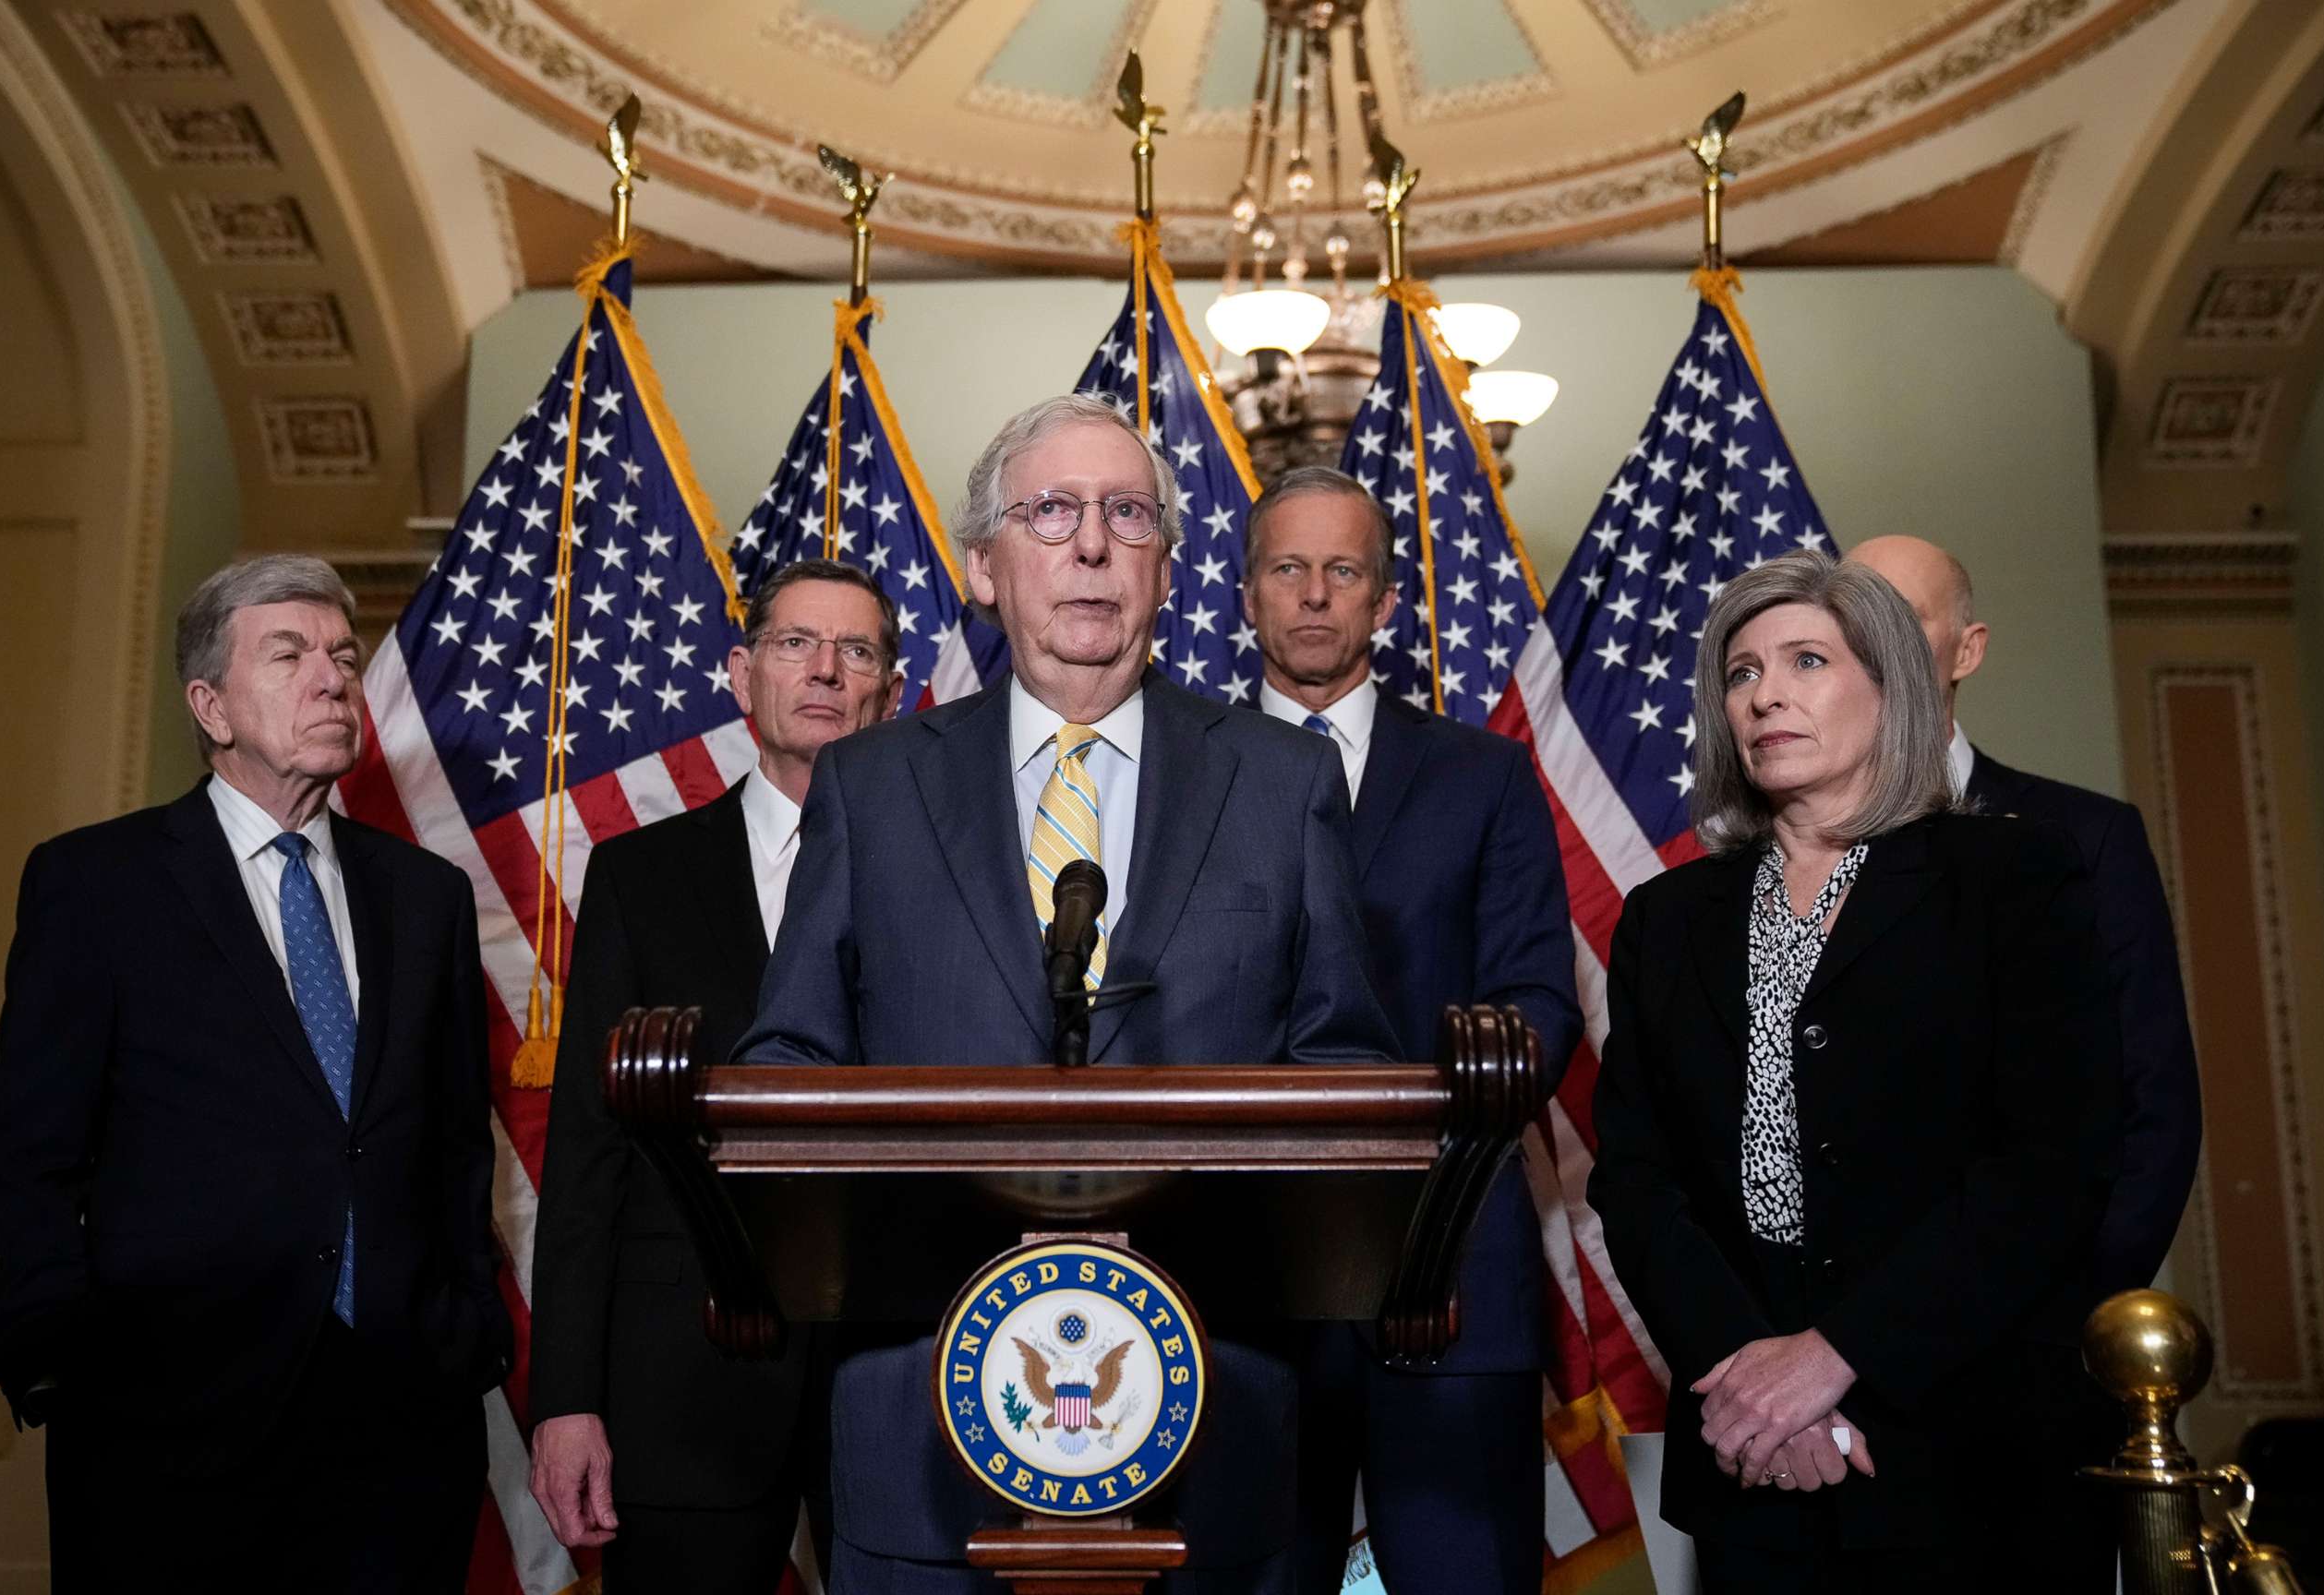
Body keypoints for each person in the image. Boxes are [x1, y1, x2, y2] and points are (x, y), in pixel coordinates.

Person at [736, 393, 1398, 1593]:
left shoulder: (1284, 781)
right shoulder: (872, 788)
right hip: (924, 1429)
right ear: (984, 570)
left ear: (1164, 567)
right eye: (1050, 512)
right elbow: (788, 1066)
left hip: (1215, 1433)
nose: (1091, 544)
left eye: (1126, 514)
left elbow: (1345, 1073)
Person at [0, 556, 512, 1593]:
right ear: (209, 706)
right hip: (166, 1424)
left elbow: (450, 1147)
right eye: (290, 653)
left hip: (400, 1427)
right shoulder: (97, 885)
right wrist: (64, 1353)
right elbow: (30, 1154)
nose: (333, 679)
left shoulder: (426, 897)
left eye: (344, 658)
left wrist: (467, 1334)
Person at [1586, 550, 2121, 1592]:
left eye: (1805, 661)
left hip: (1961, 1434)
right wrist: (1755, 1385)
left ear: (1893, 686)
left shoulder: (2013, 877)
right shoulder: (1667, 919)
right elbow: (1637, 1183)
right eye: (1741, 673)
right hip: (1748, 1450)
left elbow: (2049, 1165)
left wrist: (1835, 1359)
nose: (1766, 694)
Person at [528, 559, 903, 1589]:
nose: (824, 671)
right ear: (742, 675)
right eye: (794, 645)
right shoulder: (640, 878)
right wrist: (566, 1397)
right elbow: (587, 1154)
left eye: (855, 650)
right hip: (679, 1380)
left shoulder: (952, 881)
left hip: (896, 1374)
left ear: (893, 690)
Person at [1238, 465, 1579, 1594]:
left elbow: (1541, 1002)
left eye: (1346, 572)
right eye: (1290, 569)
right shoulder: (1177, 773)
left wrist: (1411, 1130)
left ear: (1386, 603)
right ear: (1248, 596)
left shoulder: (1484, 777)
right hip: (1243, 1278)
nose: (1317, 596)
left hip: (1452, 1274)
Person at [1846, 532, 2200, 1588]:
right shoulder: (1767, 860)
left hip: (2035, 1376)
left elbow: (2154, 1110)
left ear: (1968, 648)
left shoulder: (2084, 840)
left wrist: (2056, 1325)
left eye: (1904, 619)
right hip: (1838, 1383)